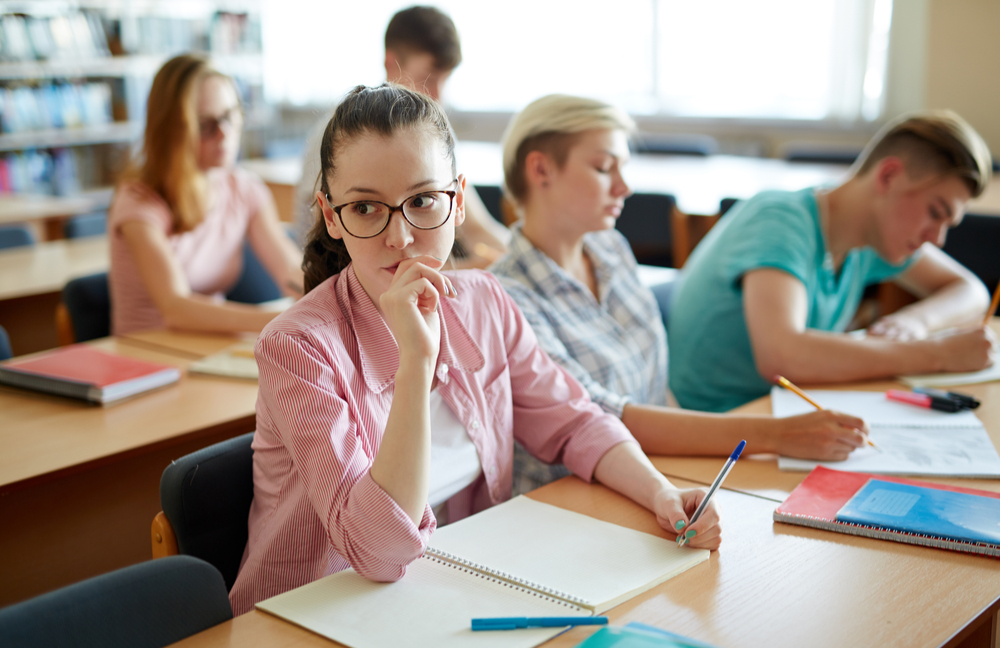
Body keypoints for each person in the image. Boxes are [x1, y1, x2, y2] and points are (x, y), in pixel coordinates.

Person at [228, 84, 721, 615]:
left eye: (421, 201)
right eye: (367, 208)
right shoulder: (296, 348)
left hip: (444, 592)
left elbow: (576, 422)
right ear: (331, 215)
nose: (400, 237)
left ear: (458, 201)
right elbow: (378, 551)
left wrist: (661, 494)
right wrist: (415, 364)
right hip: (307, 619)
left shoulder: (484, 301)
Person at [489, 95, 870, 493]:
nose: (625, 186)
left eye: (624, 167)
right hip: (569, 498)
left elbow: (656, 390)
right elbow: (599, 420)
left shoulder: (610, 249)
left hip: (655, 476)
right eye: (604, 168)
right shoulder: (508, 297)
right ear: (541, 169)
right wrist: (776, 435)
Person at [668, 111, 996, 413]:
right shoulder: (780, 221)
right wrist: (935, 354)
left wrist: (916, 323)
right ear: (889, 176)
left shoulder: (871, 236)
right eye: (935, 213)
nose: (937, 239)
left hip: (782, 411)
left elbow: (970, 290)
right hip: (714, 427)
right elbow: (781, 356)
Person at [293, 5, 510, 267]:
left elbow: (476, 226)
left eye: (445, 81)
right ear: (390, 62)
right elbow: (333, 259)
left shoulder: (432, 129)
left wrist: (523, 257)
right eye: (427, 79)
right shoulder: (343, 135)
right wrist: (471, 271)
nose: (437, 96)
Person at [108, 53, 302, 336]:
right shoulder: (139, 201)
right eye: (206, 124)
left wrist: (330, 303)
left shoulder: (245, 189)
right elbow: (176, 307)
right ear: (172, 130)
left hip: (211, 349)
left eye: (229, 116)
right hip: (147, 360)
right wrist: (277, 322)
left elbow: (291, 273)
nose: (224, 133)